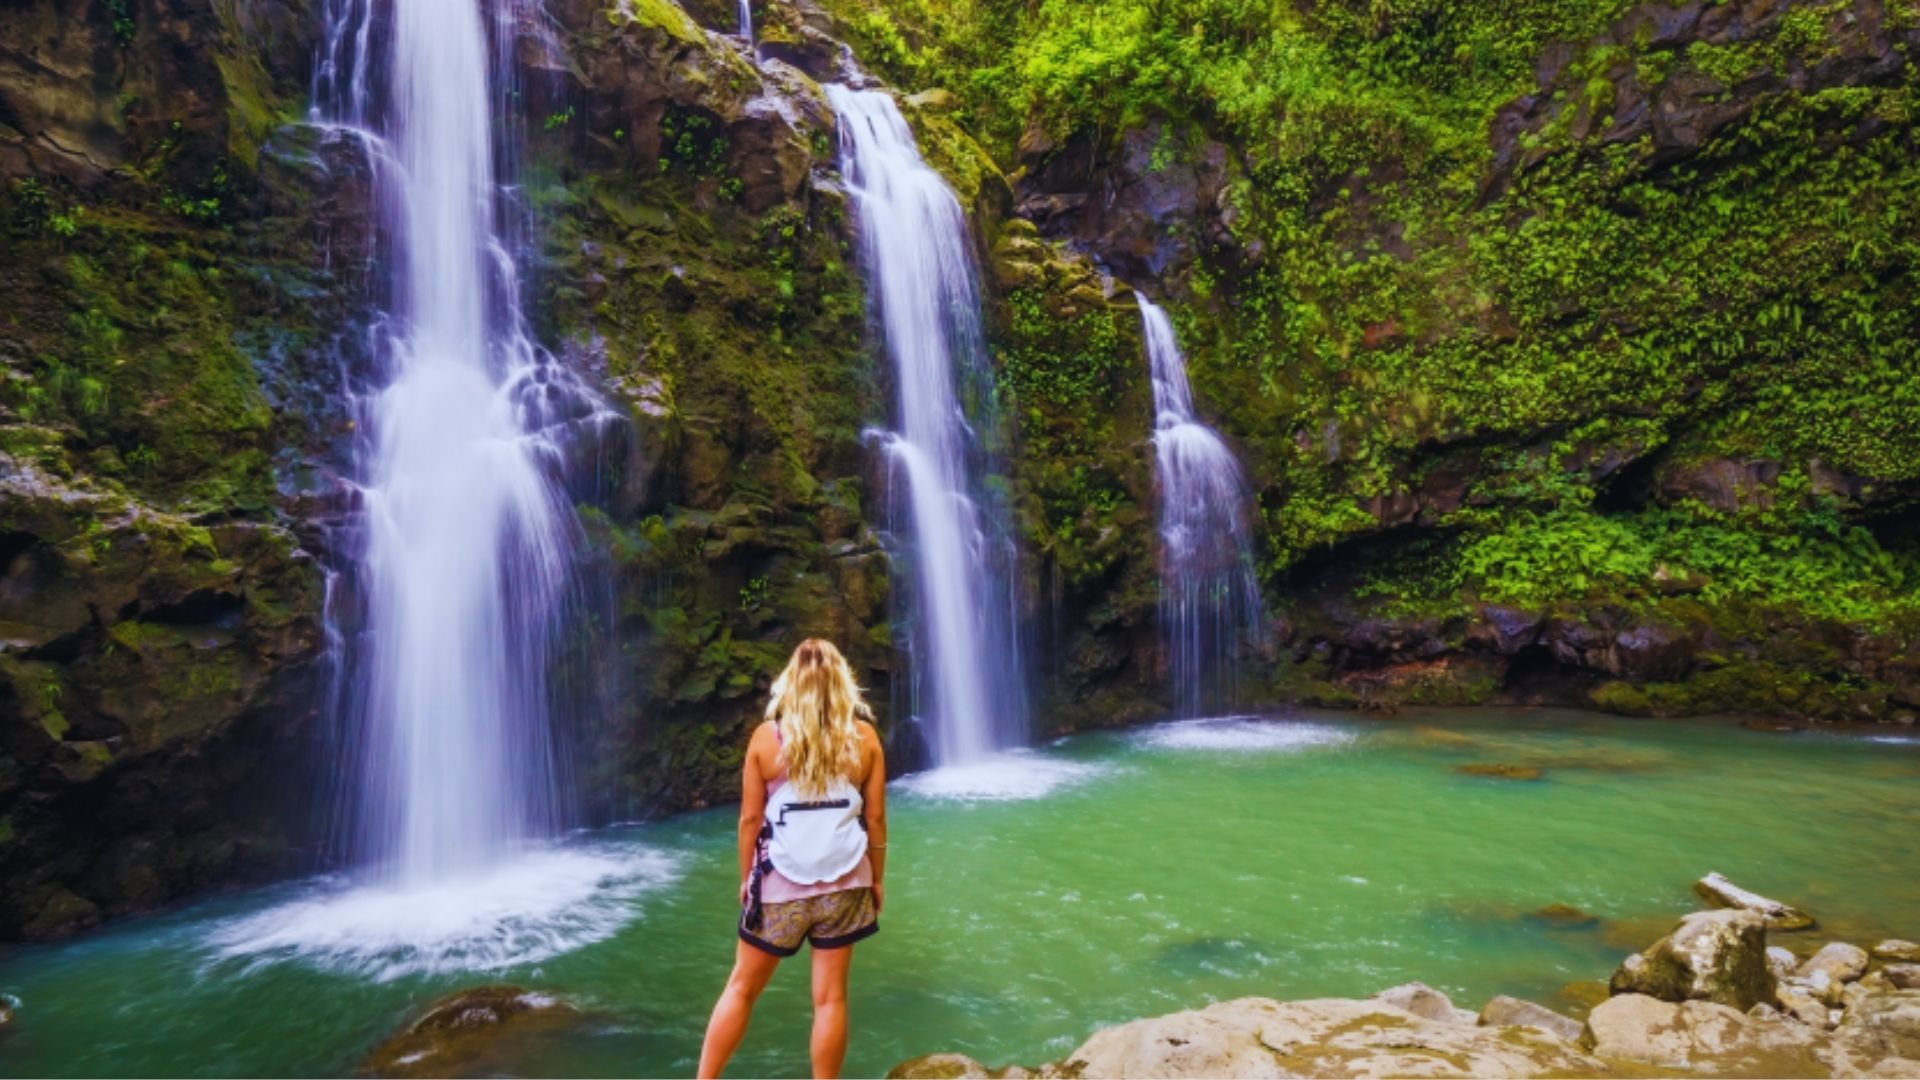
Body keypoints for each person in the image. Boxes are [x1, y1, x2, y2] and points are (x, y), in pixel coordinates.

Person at [697, 639, 888, 1079]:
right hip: (846, 885)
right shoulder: (865, 740)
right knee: (830, 999)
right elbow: (875, 819)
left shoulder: (768, 740)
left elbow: (748, 819)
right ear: (843, 683)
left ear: (791, 684)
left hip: (780, 887)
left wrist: (746, 879)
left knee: (742, 988)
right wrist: (876, 879)